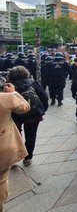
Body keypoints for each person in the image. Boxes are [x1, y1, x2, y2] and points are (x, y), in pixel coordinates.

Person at [7, 66, 48, 166]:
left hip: (16, 115)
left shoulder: (10, 86)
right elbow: (44, 97)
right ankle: (28, 157)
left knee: (15, 136)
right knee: (31, 135)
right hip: (33, 114)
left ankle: (16, 157)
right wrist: (42, 109)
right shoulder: (34, 83)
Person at [0, 83, 30, 211]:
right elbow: (25, 107)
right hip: (3, 145)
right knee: (1, 179)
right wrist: (14, 93)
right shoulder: (6, 98)